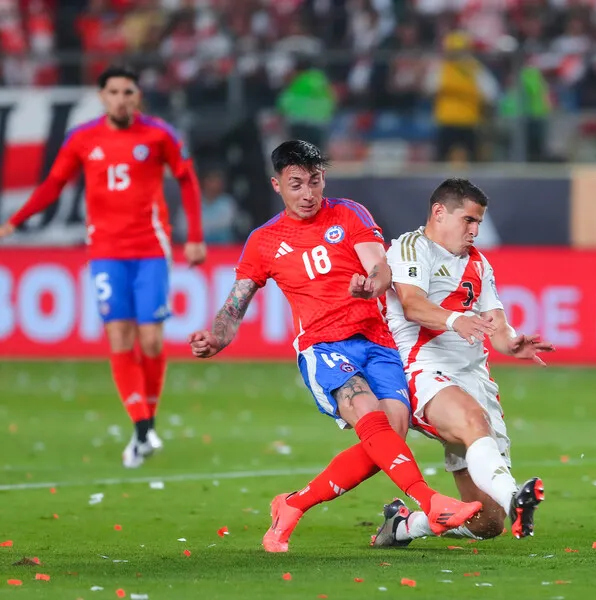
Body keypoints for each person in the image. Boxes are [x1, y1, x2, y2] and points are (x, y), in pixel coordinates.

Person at [188, 141, 482, 553]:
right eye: (296, 184)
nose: (308, 193)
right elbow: (236, 303)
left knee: (390, 433)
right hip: (323, 345)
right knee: (366, 411)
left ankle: (293, 505)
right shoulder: (264, 240)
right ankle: (431, 502)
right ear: (276, 185)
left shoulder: (348, 213)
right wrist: (217, 336)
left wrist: (371, 284)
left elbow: (381, 266)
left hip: (376, 340)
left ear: (323, 178)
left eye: (314, 181)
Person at [0, 65, 206, 469]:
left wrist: (195, 236)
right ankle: (142, 427)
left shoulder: (158, 134)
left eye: (128, 92)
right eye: (113, 92)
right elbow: (53, 184)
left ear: (137, 96)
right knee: (118, 335)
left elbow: (187, 179)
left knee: (151, 340)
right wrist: (14, 221)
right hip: (106, 251)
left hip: (150, 247)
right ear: (101, 96)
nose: (121, 99)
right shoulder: (82, 138)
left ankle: (145, 424)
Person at [372, 178, 554, 547]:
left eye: (478, 223)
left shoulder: (478, 263)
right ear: (439, 212)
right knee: (473, 420)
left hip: (474, 379)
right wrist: (456, 320)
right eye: (468, 220)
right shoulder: (411, 246)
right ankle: (515, 498)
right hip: (424, 369)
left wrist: (511, 343)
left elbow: (496, 324)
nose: (474, 231)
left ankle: (404, 526)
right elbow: (412, 304)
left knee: (488, 522)